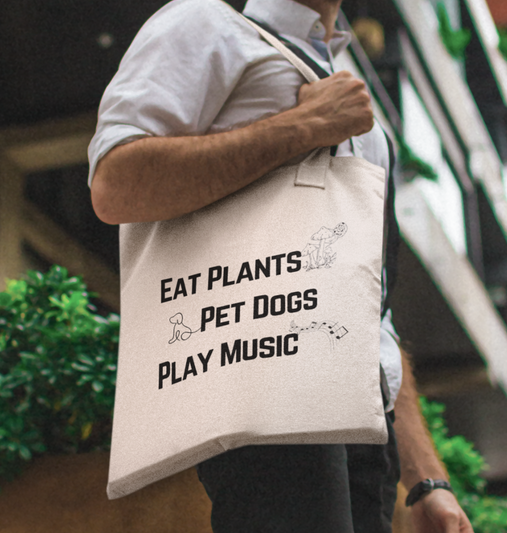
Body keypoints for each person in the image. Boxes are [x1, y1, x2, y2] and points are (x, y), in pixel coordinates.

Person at [88, 0, 474, 531]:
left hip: (367, 435)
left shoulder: (347, 88)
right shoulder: (204, 24)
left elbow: (369, 317)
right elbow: (117, 183)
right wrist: (302, 125)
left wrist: (427, 480)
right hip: (270, 391)